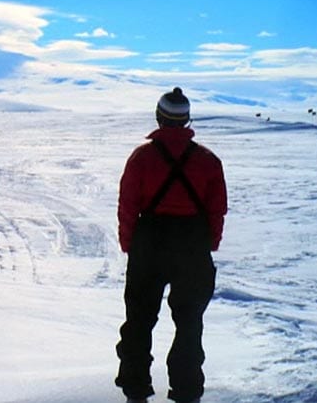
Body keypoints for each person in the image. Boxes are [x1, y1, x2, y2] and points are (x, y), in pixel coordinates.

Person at [115, 87, 227, 403]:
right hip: (192, 246)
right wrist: (209, 244)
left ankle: (136, 391)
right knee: (190, 323)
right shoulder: (208, 161)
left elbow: (127, 206)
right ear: (186, 120)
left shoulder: (141, 158)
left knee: (139, 319)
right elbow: (216, 209)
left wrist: (130, 246)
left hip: (149, 242)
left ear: (159, 117)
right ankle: (187, 392)